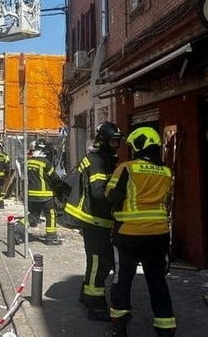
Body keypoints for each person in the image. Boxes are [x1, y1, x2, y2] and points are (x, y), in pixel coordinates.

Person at [105, 126, 176, 336]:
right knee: (157, 281)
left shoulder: (127, 168)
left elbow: (111, 195)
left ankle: (119, 325)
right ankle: (166, 327)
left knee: (122, 280)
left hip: (129, 234)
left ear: (138, 146)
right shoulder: (166, 171)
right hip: (159, 234)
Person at [64, 121, 123, 321]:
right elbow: (98, 193)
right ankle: (95, 304)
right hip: (94, 219)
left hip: (97, 219)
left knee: (98, 261)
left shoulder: (102, 158)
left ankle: (85, 294)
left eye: (118, 142)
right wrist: (119, 197)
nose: (116, 146)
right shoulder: (98, 160)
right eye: (113, 142)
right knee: (99, 262)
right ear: (103, 140)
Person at [26, 139, 63, 245]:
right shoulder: (45, 163)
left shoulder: (29, 162)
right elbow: (54, 178)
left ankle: (18, 227)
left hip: (31, 195)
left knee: (33, 216)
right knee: (51, 214)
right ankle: (51, 238)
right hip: (45, 195)